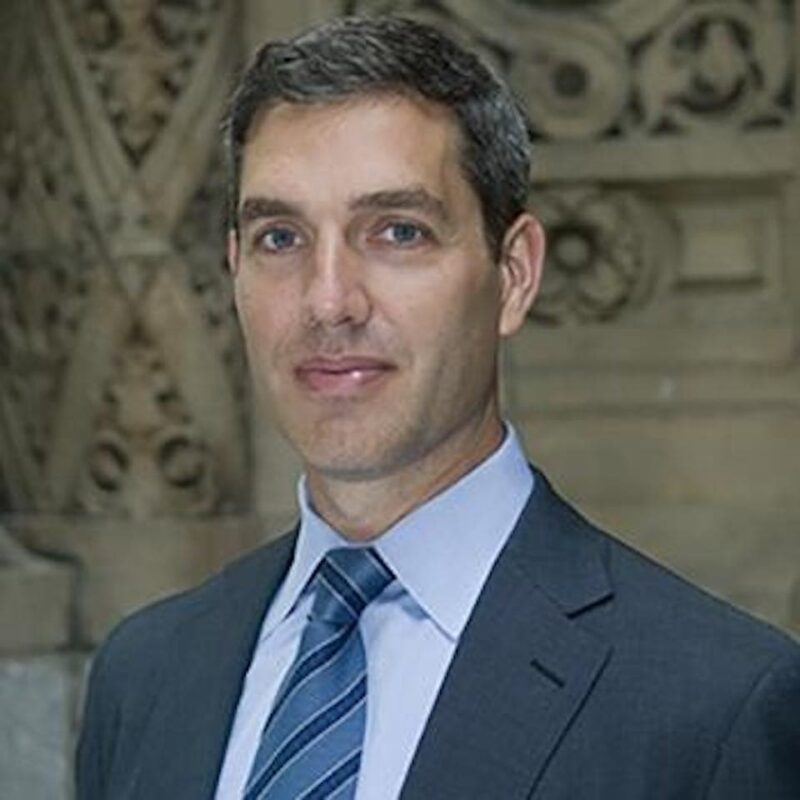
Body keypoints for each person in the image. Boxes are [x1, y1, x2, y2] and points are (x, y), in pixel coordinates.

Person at [76, 15, 800, 800]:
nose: (328, 301)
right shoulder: (143, 677)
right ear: (234, 272)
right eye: (280, 238)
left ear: (514, 274)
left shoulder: (715, 705)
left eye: (396, 231)